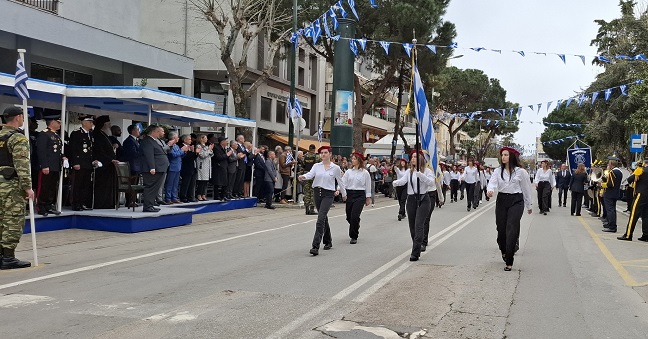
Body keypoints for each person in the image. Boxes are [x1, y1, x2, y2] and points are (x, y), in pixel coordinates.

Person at [486, 147, 533, 272]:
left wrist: (529, 205)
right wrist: (490, 190)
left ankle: (509, 260)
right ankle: (504, 250)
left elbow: (526, 188)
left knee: (512, 228)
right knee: (501, 230)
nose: (503, 157)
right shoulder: (497, 171)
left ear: (511, 156)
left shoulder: (521, 172)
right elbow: (492, 182)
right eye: (502, 155)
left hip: (516, 201)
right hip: (502, 200)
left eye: (506, 155)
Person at [0, 107, 35, 269]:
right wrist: (28, 187)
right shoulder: (18, 139)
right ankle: (8, 257)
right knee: (13, 219)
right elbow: (22, 166)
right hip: (11, 185)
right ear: (18, 118)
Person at [298, 146, 346, 256]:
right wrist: (303, 177)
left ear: (330, 154)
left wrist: (344, 194)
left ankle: (315, 246)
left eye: (325, 152)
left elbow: (340, 181)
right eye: (321, 153)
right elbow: (310, 174)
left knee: (320, 218)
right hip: (317, 192)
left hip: (328, 194)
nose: (323, 155)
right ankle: (328, 240)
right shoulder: (316, 166)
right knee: (323, 217)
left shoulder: (335, 168)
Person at [392, 153, 435, 261]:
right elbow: (403, 181)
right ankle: (417, 243)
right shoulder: (409, 171)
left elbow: (431, 183)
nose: (413, 159)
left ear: (420, 159)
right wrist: (395, 183)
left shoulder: (428, 171)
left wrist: (421, 175)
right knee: (412, 226)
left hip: (423, 199)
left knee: (419, 224)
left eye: (415, 157)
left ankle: (415, 252)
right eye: (412, 157)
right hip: (411, 199)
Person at [35, 113, 64, 216]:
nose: (60, 124)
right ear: (52, 122)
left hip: (55, 165)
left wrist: (63, 157)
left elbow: (56, 151)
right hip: (47, 166)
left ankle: (49, 205)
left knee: (52, 187)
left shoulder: (55, 134)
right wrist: (44, 165)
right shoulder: (44, 134)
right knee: (44, 186)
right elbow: (41, 151)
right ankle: (41, 206)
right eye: (58, 122)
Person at [340, 152, 372, 244]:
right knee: (349, 216)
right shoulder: (349, 172)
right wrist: (339, 190)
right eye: (352, 159)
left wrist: (368, 197)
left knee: (355, 215)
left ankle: (354, 236)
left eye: (355, 159)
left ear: (359, 160)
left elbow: (368, 185)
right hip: (350, 194)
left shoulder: (365, 173)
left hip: (360, 195)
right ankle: (355, 224)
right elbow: (343, 182)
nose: (353, 161)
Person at [140, 126, 170, 212]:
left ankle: (151, 204)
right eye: (159, 131)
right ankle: (147, 206)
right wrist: (152, 167)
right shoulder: (147, 141)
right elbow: (149, 155)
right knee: (150, 187)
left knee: (155, 188)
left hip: (159, 168)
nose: (161, 133)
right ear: (154, 132)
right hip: (153, 169)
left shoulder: (153, 141)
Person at [68, 115, 95, 211]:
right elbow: (73, 149)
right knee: (77, 184)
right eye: (90, 122)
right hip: (79, 163)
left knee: (85, 184)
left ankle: (82, 202)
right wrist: (75, 162)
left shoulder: (90, 134)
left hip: (88, 163)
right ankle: (75, 204)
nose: (92, 124)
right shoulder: (76, 133)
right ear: (84, 123)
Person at [91, 116, 118, 209]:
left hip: (109, 166)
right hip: (102, 165)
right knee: (102, 186)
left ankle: (108, 203)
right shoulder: (98, 135)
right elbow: (99, 151)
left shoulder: (105, 135)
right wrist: (110, 159)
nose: (110, 126)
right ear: (103, 125)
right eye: (109, 124)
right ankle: (101, 203)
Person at [618, 160, 648, 241]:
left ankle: (628, 235)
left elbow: (629, 180)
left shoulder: (641, 170)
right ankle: (646, 235)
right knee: (646, 216)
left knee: (633, 215)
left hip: (640, 194)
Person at [164, 131, 187, 204]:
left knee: (175, 183)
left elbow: (180, 155)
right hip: (172, 166)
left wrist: (184, 152)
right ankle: (168, 198)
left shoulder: (176, 146)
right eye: (177, 137)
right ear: (173, 138)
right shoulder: (169, 145)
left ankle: (174, 197)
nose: (178, 138)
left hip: (178, 166)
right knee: (170, 183)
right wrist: (181, 151)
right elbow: (173, 155)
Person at [602, 159, 623, 232]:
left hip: (609, 193)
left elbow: (610, 184)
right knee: (613, 210)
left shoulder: (612, 172)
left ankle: (612, 226)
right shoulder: (619, 172)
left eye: (609, 164)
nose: (608, 165)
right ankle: (611, 224)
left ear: (611, 165)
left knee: (610, 210)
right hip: (616, 193)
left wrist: (602, 184)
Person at [301, 144, 320, 215]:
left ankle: (306, 209)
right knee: (313, 192)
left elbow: (302, 166)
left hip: (306, 175)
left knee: (306, 192)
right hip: (314, 175)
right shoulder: (317, 157)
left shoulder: (304, 157)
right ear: (314, 149)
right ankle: (312, 209)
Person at [178, 134, 196, 203]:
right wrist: (192, 152)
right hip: (185, 167)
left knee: (191, 183)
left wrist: (194, 152)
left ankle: (190, 196)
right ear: (185, 140)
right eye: (189, 139)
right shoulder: (181, 147)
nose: (190, 141)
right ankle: (183, 196)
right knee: (185, 183)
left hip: (191, 167)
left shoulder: (190, 147)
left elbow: (193, 157)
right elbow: (185, 157)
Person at [194, 134, 213, 201]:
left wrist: (210, 150)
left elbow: (211, 154)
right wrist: (208, 150)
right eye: (205, 138)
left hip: (207, 165)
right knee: (201, 181)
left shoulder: (206, 146)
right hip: (202, 165)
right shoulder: (199, 146)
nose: (206, 139)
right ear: (201, 139)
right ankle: (199, 194)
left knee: (205, 181)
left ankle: (203, 194)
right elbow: (202, 155)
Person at [212, 136, 231, 201]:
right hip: (218, 167)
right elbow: (218, 157)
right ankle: (217, 196)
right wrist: (227, 155)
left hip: (224, 167)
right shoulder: (217, 148)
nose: (227, 142)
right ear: (222, 142)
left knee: (225, 182)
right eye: (226, 141)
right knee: (218, 183)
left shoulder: (224, 148)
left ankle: (223, 195)